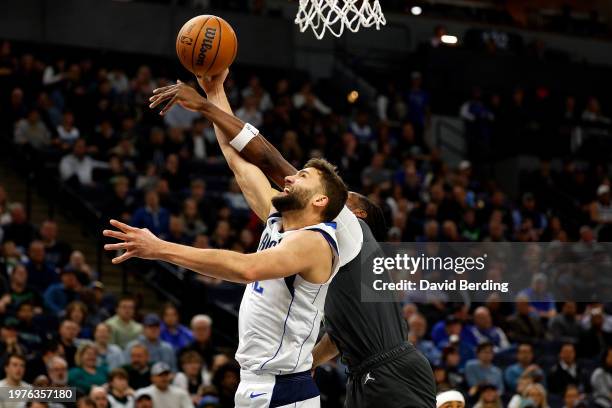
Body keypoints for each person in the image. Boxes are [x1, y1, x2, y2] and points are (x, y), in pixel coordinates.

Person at [147, 72, 435, 408]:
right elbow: (240, 166)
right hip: (362, 374)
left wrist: (205, 106)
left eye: (347, 199)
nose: (340, 199)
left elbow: (268, 161)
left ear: (353, 216)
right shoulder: (310, 241)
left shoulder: (349, 228)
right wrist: (215, 92)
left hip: (392, 373)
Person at [107, 85, 351, 408]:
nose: (288, 178)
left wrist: (158, 247)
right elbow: (238, 161)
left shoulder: (318, 242)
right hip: (253, 383)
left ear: (320, 200)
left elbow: (245, 268)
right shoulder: (279, 220)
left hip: (284, 390)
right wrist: (214, 89)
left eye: (301, 176)